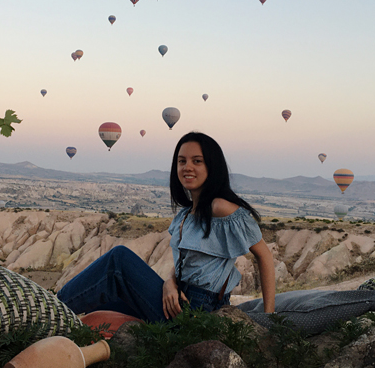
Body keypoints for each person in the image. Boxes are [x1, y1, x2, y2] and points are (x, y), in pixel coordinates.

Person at [56, 132, 276, 321]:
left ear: (212, 166)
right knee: (99, 305)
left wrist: (269, 318)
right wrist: (169, 283)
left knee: (118, 259)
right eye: (182, 161)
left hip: (198, 311)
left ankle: (49, 308)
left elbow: (264, 256)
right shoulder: (185, 215)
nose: (187, 167)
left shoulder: (220, 207)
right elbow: (185, 264)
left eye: (197, 161)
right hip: (176, 300)